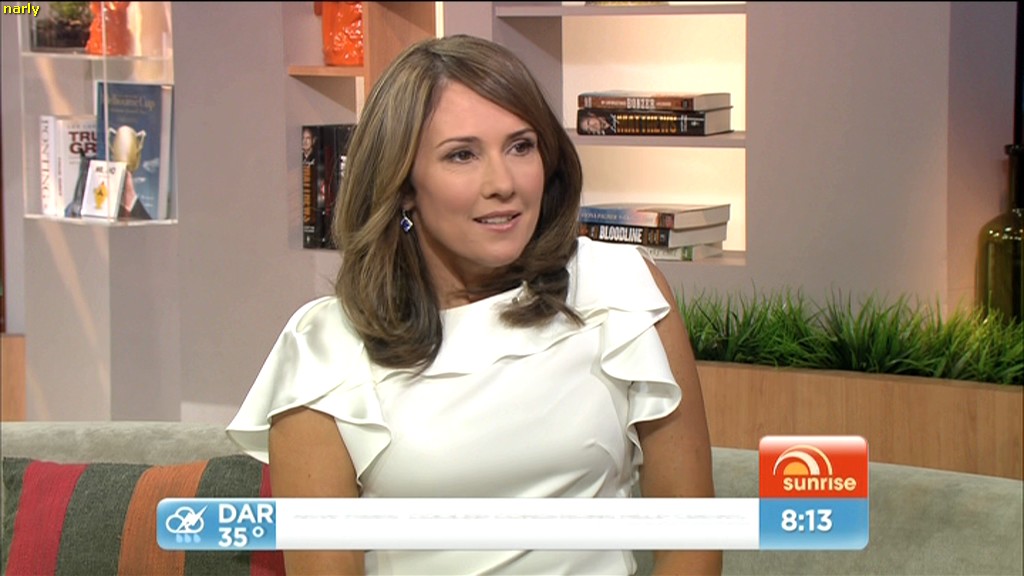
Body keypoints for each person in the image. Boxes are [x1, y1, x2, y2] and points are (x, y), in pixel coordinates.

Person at [227, 34, 721, 576]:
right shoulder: (324, 350)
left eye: (521, 146)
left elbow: (692, 545)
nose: (503, 184)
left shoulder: (621, 289)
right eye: (462, 155)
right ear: (404, 185)